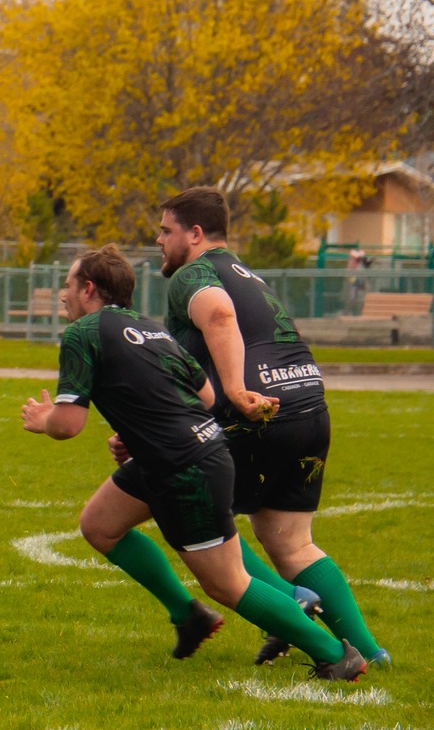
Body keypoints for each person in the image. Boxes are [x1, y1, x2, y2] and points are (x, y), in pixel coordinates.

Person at [20, 244, 362, 679]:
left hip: (182, 467)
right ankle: (189, 616)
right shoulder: (151, 329)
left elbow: (68, 425)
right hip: (195, 450)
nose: (62, 293)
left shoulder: (83, 333)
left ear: (88, 288)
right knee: (100, 525)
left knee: (226, 583)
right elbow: (203, 394)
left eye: (67, 284)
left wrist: (42, 419)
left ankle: (336, 655)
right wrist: (142, 425)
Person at [156, 187, 385, 667]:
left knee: (187, 517)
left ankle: (289, 603)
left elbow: (217, 313)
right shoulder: (247, 273)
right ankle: (369, 650)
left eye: (166, 230)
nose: (159, 240)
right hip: (309, 405)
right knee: (289, 539)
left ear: (195, 234)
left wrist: (237, 392)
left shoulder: (193, 275)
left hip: (256, 414)